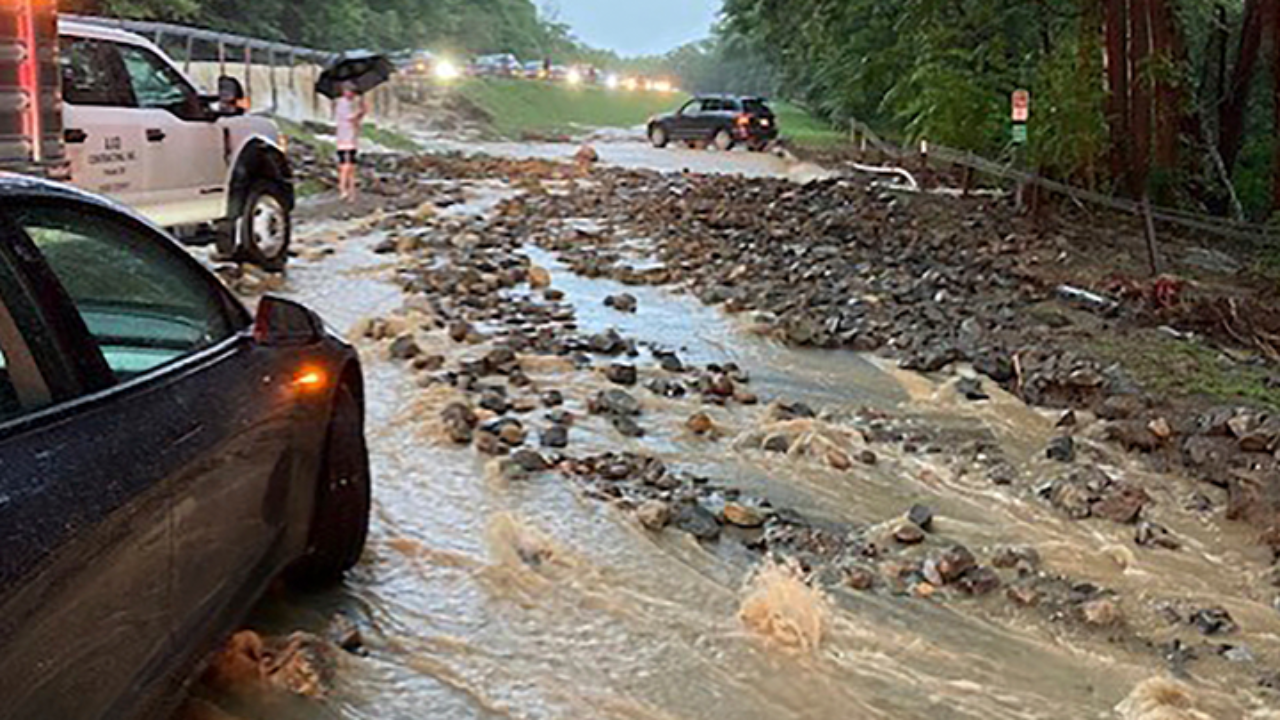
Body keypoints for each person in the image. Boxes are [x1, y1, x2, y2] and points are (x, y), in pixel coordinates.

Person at [334, 81, 366, 202]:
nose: (351, 94)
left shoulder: (350, 103)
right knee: (345, 166)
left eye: (353, 92)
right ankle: (342, 189)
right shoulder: (342, 103)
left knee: (352, 166)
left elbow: (355, 122)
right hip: (343, 138)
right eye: (349, 91)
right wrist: (361, 112)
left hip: (351, 137)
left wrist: (361, 114)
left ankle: (351, 192)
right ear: (344, 91)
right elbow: (350, 118)